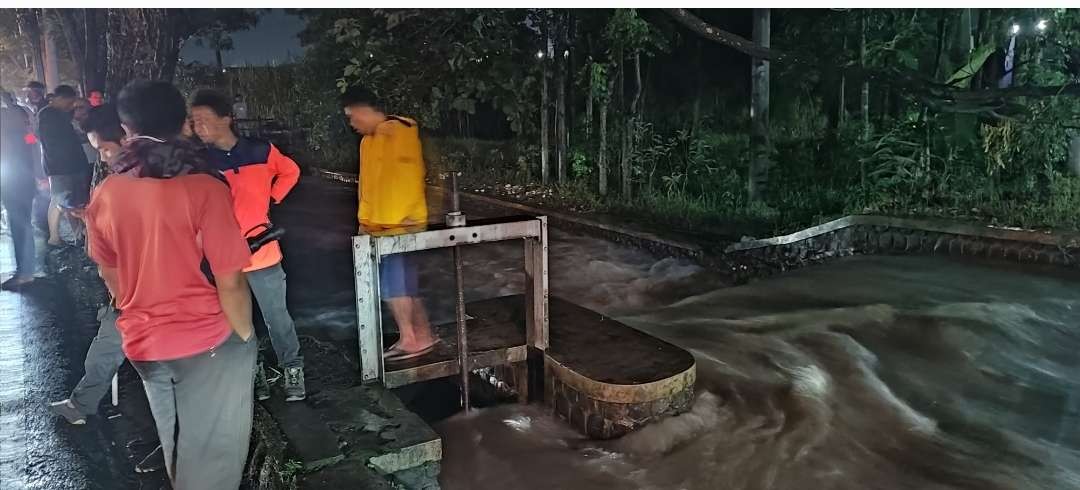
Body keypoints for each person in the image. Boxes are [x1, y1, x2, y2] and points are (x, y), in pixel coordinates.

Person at [82, 80, 256, 490]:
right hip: (205, 341)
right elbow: (230, 280)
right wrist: (245, 337)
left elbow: (110, 274)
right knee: (212, 459)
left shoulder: (106, 192)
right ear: (183, 124)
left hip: (143, 342)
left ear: (126, 130)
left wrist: (141, 309)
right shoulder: (205, 187)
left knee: (175, 440)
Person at [190, 89, 306, 402]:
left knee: (276, 316)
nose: (198, 127)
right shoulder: (200, 162)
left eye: (204, 120)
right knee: (238, 321)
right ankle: (255, 375)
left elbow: (290, 171)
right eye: (194, 122)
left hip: (263, 253)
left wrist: (272, 197)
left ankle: (292, 369)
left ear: (227, 118)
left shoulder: (261, 150)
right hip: (224, 257)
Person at [339, 86, 436, 361]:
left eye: (352, 115)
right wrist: (365, 222)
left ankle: (411, 338)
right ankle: (422, 333)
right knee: (404, 285)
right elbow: (369, 187)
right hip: (381, 226)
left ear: (365, 110)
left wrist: (395, 223)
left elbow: (406, 180)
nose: (352, 122)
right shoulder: (369, 142)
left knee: (395, 286)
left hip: (398, 227)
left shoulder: (398, 132)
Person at [37, 84, 91, 246]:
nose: (71, 106)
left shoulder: (58, 114)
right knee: (60, 200)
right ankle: (58, 236)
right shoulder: (48, 115)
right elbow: (59, 141)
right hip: (59, 166)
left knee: (67, 199)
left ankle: (76, 235)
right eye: (69, 102)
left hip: (68, 164)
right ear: (60, 98)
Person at [1, 91, 39, 290]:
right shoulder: (21, 117)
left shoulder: (7, 120)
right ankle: (26, 270)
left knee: (20, 224)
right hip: (23, 178)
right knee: (22, 224)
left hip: (13, 181)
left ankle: (25, 273)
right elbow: (32, 143)